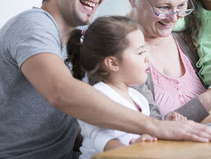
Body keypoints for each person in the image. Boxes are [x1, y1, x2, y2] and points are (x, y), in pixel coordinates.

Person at [0, 0, 211, 159]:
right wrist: (155, 126)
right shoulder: (33, 24)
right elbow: (60, 92)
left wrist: (132, 139)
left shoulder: (82, 42)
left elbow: (82, 128)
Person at [66, 16, 186, 158]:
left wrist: (165, 125)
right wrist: (134, 149)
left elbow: (144, 134)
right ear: (113, 63)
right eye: (140, 52)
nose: (147, 58)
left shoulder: (138, 98)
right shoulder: (99, 96)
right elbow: (102, 140)